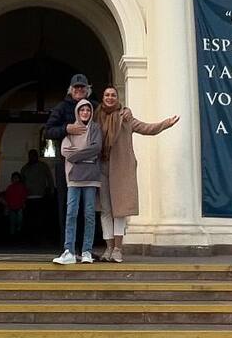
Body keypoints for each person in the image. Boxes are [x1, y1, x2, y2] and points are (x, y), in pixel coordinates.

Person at [95, 85, 179, 261]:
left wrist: (165, 124)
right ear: (102, 97)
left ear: (117, 98)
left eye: (113, 95)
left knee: (120, 210)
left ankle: (118, 249)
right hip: (100, 168)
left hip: (121, 168)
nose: (109, 97)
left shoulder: (125, 117)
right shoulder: (96, 116)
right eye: (107, 95)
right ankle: (108, 249)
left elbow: (146, 128)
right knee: (105, 210)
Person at [53, 97, 102, 264]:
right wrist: (85, 156)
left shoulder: (95, 128)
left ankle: (87, 251)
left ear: (91, 112)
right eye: (82, 110)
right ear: (77, 112)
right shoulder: (72, 129)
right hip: (73, 177)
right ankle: (69, 251)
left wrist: (76, 156)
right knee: (71, 213)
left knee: (89, 215)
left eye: (88, 110)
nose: (85, 112)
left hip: (91, 178)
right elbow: (65, 151)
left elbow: (96, 148)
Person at [43, 73, 92, 236]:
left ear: (87, 90)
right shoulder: (61, 108)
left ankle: (85, 247)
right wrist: (66, 128)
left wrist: (124, 111)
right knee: (66, 205)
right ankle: (67, 246)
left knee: (88, 206)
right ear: (70, 89)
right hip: (65, 164)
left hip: (88, 164)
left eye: (82, 87)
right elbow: (48, 131)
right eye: (76, 87)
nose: (79, 89)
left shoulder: (94, 106)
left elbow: (109, 115)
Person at [19, 149, 54, 238]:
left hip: (40, 195)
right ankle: (30, 237)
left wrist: (51, 190)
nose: (32, 157)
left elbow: (49, 179)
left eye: (33, 155)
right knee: (30, 218)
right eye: (30, 155)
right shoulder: (25, 168)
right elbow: (22, 183)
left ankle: (39, 236)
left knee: (40, 217)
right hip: (28, 197)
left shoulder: (43, 166)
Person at [0, 172, 28, 238]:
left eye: (17, 178)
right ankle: (12, 235)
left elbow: (24, 196)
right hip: (12, 207)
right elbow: (7, 197)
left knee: (19, 220)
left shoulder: (21, 187)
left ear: (19, 179)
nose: (15, 179)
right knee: (12, 222)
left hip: (19, 207)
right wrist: (6, 206)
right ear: (12, 179)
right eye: (14, 178)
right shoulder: (10, 187)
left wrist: (23, 203)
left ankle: (18, 231)